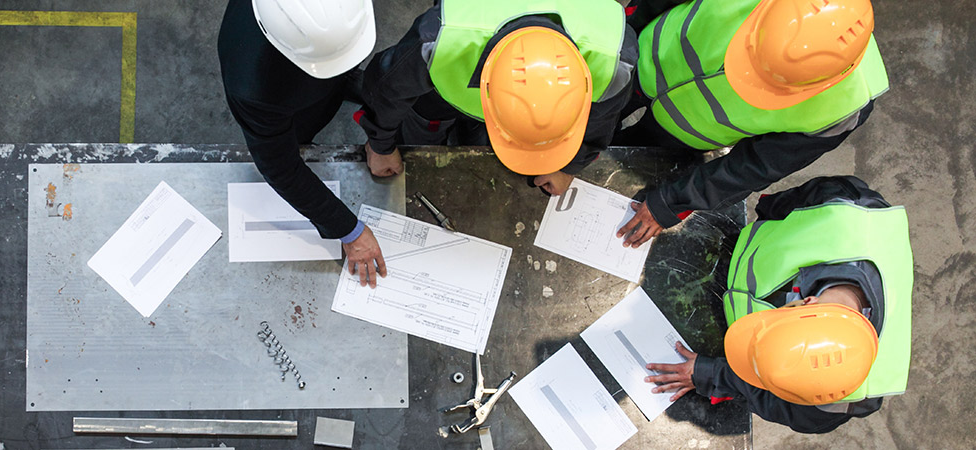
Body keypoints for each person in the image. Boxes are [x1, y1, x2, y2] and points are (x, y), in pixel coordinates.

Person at [645, 176, 912, 433]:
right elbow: (780, 205)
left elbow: (779, 403)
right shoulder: (847, 208)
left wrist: (712, 374)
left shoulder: (841, 396)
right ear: (807, 301)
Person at [613, 0, 887, 248]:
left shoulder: (845, 106)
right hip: (646, 52)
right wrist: (621, 36)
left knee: (620, 160)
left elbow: (753, 168)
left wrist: (670, 203)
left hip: (685, 130)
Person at [355, 0, 637, 193]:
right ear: (483, 86)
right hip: (445, 79)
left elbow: (601, 120)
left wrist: (569, 166)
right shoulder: (441, 40)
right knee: (423, 127)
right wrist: (381, 145)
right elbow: (386, 87)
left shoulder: (613, 59)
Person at [218, 0, 387, 287]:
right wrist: (349, 230)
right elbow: (281, 168)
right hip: (285, 90)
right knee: (300, 134)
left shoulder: (336, 14)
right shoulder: (254, 87)